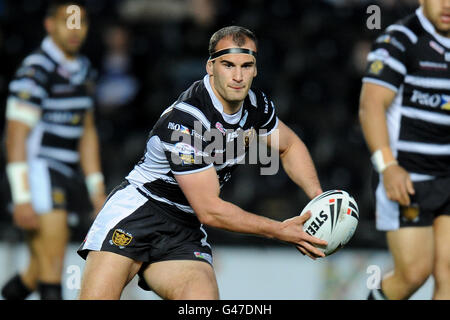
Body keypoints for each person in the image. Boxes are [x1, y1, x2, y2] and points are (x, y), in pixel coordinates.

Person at [77, 25, 327, 300]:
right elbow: (210, 211)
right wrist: (278, 230)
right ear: (211, 66)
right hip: (138, 212)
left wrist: (319, 198)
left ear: (255, 69)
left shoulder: (256, 105)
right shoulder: (186, 121)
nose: (238, 76)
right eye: (228, 65)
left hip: (184, 227)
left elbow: (289, 145)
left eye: (246, 66)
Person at [1, 0, 106, 300]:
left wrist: (95, 188)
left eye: (81, 22)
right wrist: (22, 197)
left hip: (66, 172)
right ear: (50, 25)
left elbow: (87, 132)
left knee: (35, 271)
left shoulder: (83, 69)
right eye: (66, 22)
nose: (75, 30)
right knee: (52, 266)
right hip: (39, 172)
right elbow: (16, 135)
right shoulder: (36, 69)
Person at [359, 0, 450, 300]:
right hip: (408, 178)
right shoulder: (401, 39)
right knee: (414, 274)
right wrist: (388, 166)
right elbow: (371, 105)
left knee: (449, 274)